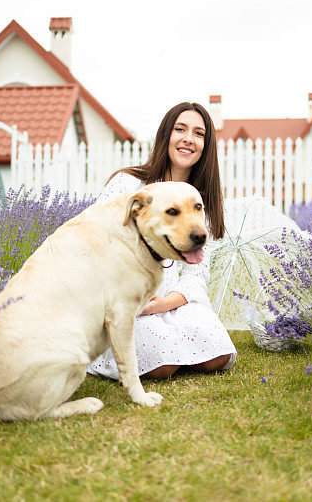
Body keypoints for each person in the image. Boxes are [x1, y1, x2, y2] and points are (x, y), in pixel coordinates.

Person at [87, 102, 237, 380]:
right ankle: (159, 352)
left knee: (219, 354)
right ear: (166, 135)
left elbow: (197, 273)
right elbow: (96, 242)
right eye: (180, 129)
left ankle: (174, 346)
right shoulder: (128, 184)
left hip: (171, 303)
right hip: (128, 302)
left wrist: (166, 303)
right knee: (162, 366)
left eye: (198, 133)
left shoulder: (198, 203)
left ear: (206, 144)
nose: (188, 139)